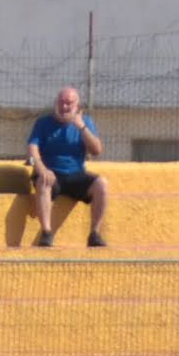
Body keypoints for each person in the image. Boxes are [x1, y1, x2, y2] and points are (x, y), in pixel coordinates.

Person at [25, 87, 111, 248]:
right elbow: (32, 151)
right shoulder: (43, 123)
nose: (64, 107)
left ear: (77, 106)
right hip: (51, 174)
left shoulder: (86, 123)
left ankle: (94, 234)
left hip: (76, 175)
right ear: (56, 103)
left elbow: (97, 150)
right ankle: (46, 233)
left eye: (69, 104)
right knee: (43, 181)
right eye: (61, 103)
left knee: (102, 184)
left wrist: (81, 127)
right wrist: (42, 169)